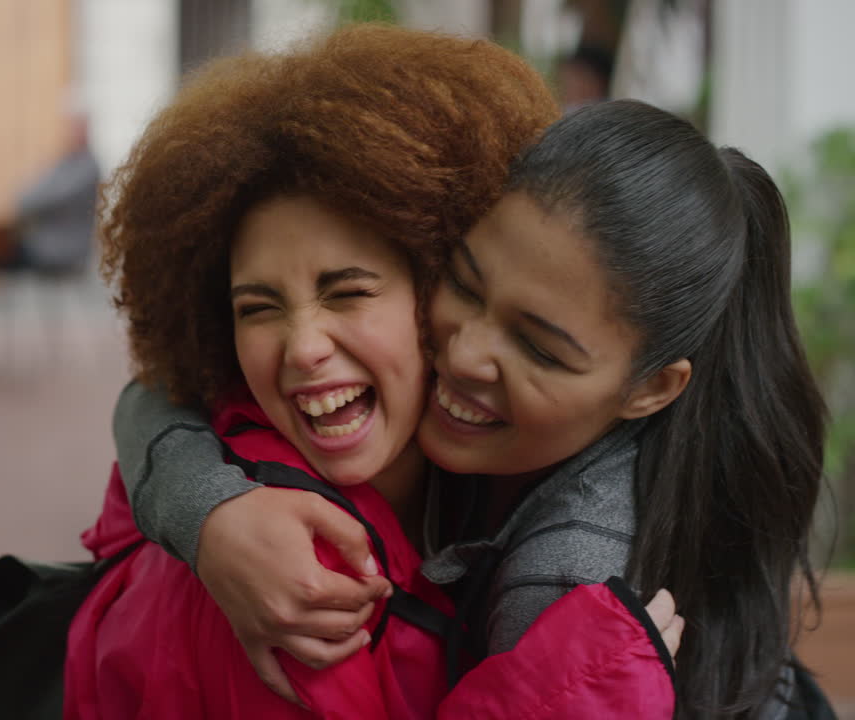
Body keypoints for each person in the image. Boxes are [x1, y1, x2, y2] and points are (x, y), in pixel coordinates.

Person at [112, 98, 830, 718]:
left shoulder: (567, 578)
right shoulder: (480, 423)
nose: (464, 355)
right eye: (464, 284)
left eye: (540, 348)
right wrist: (211, 516)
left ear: (650, 390)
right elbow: (164, 390)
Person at [68, 27, 683, 719]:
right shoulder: (296, 575)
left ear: (439, 287)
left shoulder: (454, 480)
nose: (303, 348)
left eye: (348, 292)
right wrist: (563, 694)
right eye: (258, 308)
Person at [6, 103, 99, 274]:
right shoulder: (65, 163)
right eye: (68, 127)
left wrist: (26, 201)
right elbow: (26, 196)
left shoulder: (87, 169)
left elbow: (43, 199)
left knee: (3, 253)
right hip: (45, 243)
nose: (69, 133)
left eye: (75, 127)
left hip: (63, 250)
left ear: (85, 129)